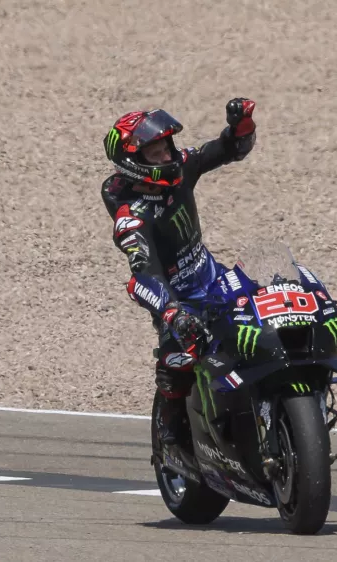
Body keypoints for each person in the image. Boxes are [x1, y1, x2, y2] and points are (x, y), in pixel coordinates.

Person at [100, 98, 258, 446]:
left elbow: (229, 149)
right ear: (133, 163)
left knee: (267, 318)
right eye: (155, 153)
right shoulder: (131, 217)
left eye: (166, 147)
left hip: (213, 277)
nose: (167, 156)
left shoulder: (181, 166)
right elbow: (141, 274)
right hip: (177, 299)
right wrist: (171, 311)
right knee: (180, 357)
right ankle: (170, 432)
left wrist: (241, 126)